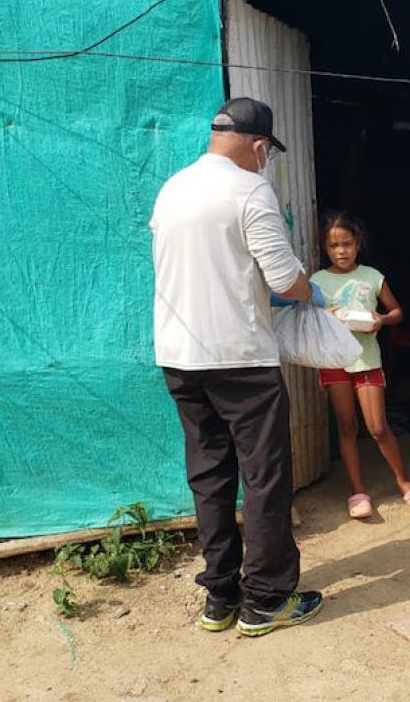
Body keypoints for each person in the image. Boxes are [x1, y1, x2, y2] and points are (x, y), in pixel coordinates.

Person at [150, 97, 324, 638]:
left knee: (209, 475)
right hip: (241, 361)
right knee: (265, 477)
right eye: (268, 152)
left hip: (179, 357)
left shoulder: (173, 188)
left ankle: (220, 596)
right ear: (257, 146)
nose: (266, 161)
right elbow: (282, 279)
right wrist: (307, 290)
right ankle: (267, 598)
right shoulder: (251, 189)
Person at [310, 212, 410, 519]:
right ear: (325, 247)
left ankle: (404, 482)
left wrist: (382, 319)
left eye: (347, 244)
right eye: (333, 245)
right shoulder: (316, 281)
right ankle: (357, 492)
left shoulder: (372, 276)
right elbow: (307, 320)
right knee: (347, 426)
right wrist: (327, 317)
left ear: (358, 243)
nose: (341, 251)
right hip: (334, 361)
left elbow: (397, 313)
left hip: (367, 358)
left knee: (378, 427)